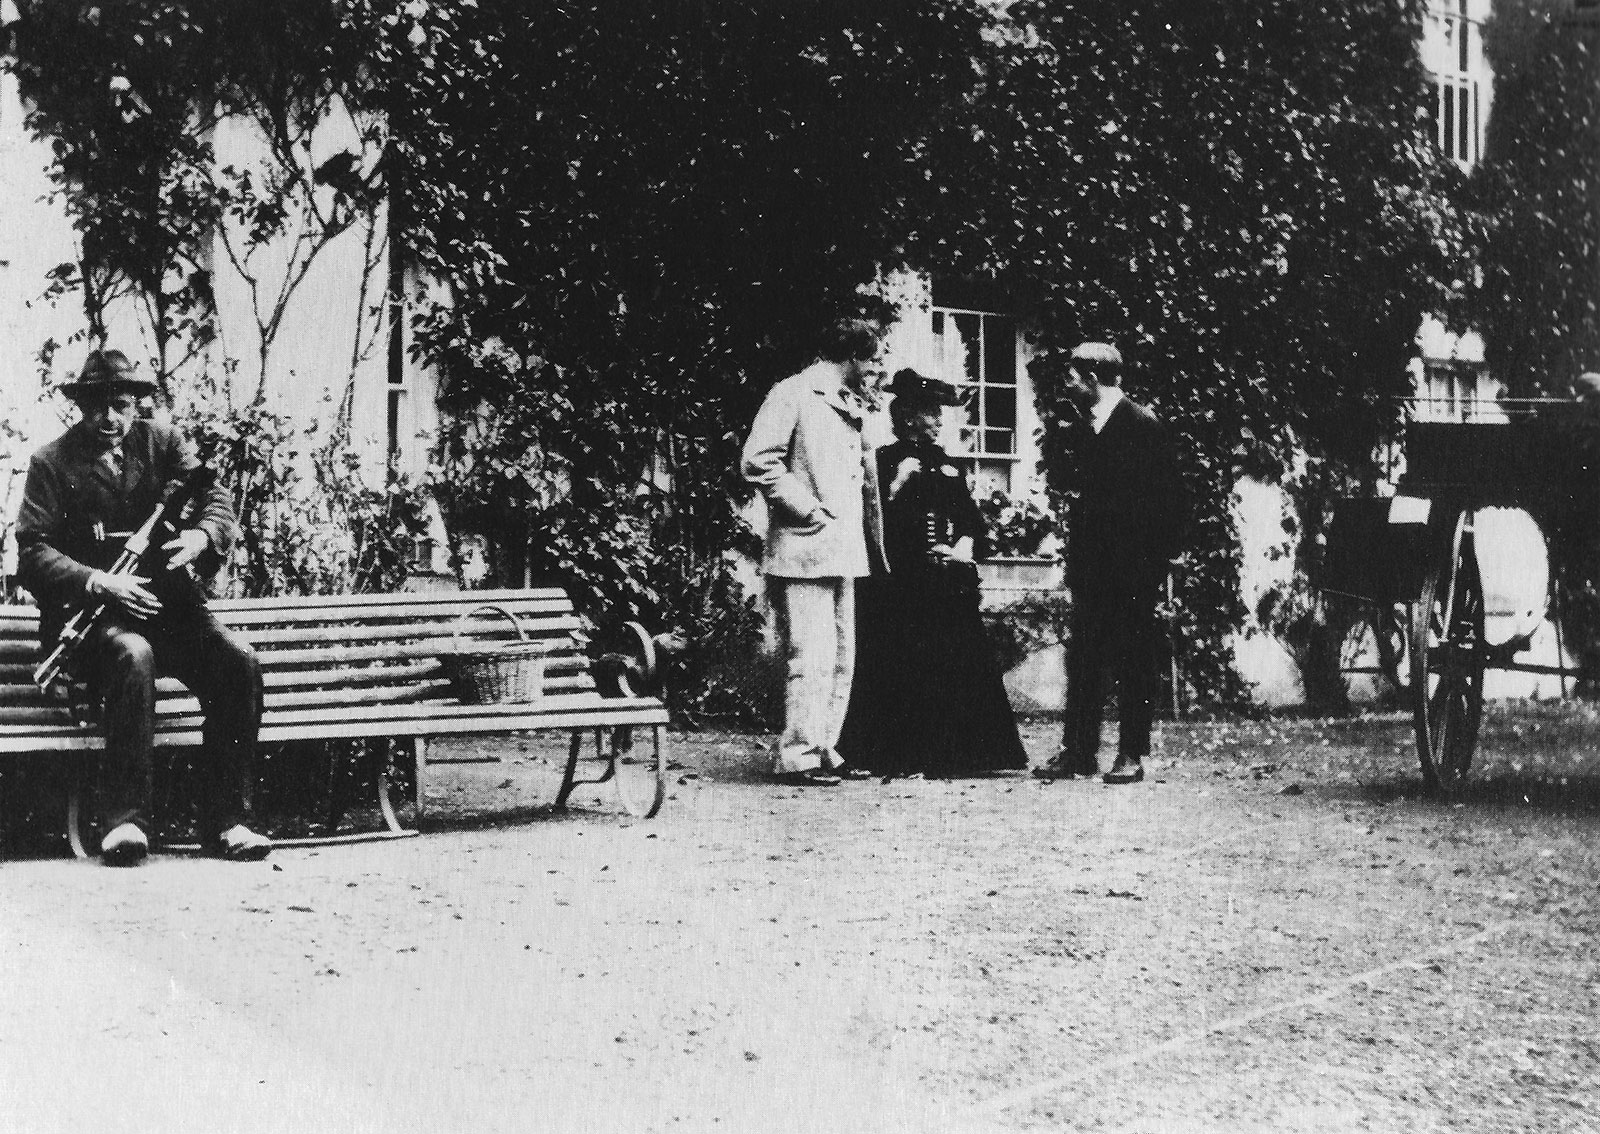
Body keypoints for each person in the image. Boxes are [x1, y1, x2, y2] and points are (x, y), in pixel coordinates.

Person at [16, 350, 272, 864]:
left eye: (122, 404)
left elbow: (214, 497)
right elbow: (33, 550)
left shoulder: (164, 442)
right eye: (98, 406)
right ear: (80, 407)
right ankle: (125, 824)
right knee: (134, 656)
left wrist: (201, 537)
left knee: (237, 663)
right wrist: (97, 581)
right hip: (91, 623)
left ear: (136, 404)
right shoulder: (52, 461)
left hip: (168, 609)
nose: (110, 418)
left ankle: (228, 822)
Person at [837, 369, 1028, 778]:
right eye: (930, 413)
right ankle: (898, 753)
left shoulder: (947, 464)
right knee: (899, 662)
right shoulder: (881, 462)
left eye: (940, 413)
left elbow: (970, 521)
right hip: (897, 585)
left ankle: (963, 753)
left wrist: (960, 546)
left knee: (954, 659)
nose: (939, 420)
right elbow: (868, 523)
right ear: (907, 417)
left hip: (944, 583)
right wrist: (894, 486)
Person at [742, 319, 888, 786]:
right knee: (811, 655)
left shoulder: (849, 402)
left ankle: (826, 747)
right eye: (871, 359)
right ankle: (797, 754)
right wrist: (807, 510)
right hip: (804, 547)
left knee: (842, 655)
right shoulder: (793, 392)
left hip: (842, 549)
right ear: (852, 357)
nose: (874, 370)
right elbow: (758, 460)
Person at [1035, 342, 1184, 785]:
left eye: (1073, 377)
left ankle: (1131, 754)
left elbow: (1170, 499)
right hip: (1092, 567)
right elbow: (1072, 489)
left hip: (1132, 569)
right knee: (1083, 658)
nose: (1067, 385)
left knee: (1134, 659)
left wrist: (1156, 561)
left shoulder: (1143, 426)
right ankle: (1078, 752)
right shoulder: (1081, 428)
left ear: (1094, 377)